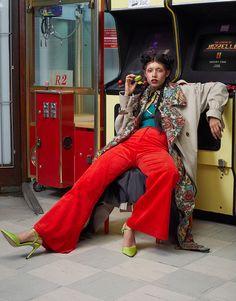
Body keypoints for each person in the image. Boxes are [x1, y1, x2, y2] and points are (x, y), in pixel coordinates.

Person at [1, 50, 228, 259]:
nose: (154, 74)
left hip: (157, 146)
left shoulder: (184, 90)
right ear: (145, 74)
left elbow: (219, 86)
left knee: (168, 173)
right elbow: (122, 129)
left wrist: (214, 114)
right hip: (129, 143)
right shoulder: (140, 97)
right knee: (87, 181)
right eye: (149, 70)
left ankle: (132, 226)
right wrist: (127, 97)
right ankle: (38, 233)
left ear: (167, 72)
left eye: (159, 70)